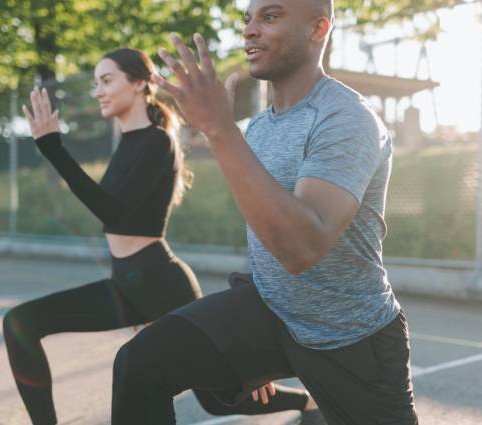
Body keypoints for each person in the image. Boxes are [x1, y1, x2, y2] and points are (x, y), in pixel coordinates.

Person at [110, 0, 419, 424]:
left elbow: (301, 248)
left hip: (349, 336)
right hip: (273, 314)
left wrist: (219, 128)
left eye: (269, 17)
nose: (250, 30)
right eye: (248, 19)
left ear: (317, 29)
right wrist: (245, 342)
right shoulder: (259, 127)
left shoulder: (347, 119)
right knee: (139, 363)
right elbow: (264, 229)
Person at [2, 47, 315, 425]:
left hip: (160, 282)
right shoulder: (127, 144)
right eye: (95, 83)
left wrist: (53, 148)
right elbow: (112, 213)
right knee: (20, 323)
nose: (98, 91)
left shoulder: (157, 142)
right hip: (126, 283)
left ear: (139, 84)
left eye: (106, 80)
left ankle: (308, 404)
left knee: (218, 398)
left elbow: (114, 213)